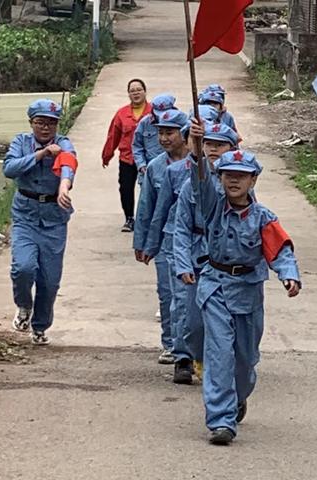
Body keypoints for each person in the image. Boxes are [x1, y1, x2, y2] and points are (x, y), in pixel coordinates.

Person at [191, 148, 301, 446]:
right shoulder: (212, 206)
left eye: (241, 176)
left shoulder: (263, 218)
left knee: (245, 359)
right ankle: (221, 421)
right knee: (219, 355)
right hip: (214, 286)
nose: (234, 181)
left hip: (248, 291)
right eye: (228, 175)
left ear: (253, 181)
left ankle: (238, 399)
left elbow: (280, 251)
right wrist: (196, 147)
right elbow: (200, 180)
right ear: (221, 178)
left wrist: (288, 274)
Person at [3, 99, 78, 346]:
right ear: (31, 123)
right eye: (40, 122)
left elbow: (68, 164)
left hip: (53, 217)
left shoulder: (63, 143)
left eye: (51, 123)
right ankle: (24, 305)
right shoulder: (21, 143)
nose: (46, 128)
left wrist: (64, 187)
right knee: (23, 268)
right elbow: (10, 169)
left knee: (49, 278)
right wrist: (41, 154)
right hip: (25, 214)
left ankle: (40, 325)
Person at [172, 123, 239, 384]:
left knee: (228, 322)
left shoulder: (238, 184)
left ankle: (222, 369)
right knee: (193, 321)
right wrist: (183, 264)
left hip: (226, 261)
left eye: (220, 145)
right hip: (197, 258)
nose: (213, 150)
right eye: (209, 144)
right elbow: (181, 228)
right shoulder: (193, 185)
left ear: (232, 149)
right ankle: (195, 355)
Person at [133, 109, 189, 364]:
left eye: (170, 133)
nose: (164, 139)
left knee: (190, 297)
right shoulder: (156, 167)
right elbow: (147, 208)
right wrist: (144, 243)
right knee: (167, 294)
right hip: (167, 239)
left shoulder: (198, 164)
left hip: (196, 241)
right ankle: (170, 344)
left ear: (183, 133)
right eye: (161, 133)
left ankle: (193, 345)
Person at [102, 78, 152, 232]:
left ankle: (149, 219)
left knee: (150, 189)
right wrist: (107, 155)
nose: (136, 93)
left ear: (145, 91)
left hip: (149, 158)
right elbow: (113, 136)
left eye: (138, 89)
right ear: (128, 94)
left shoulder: (154, 112)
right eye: (132, 91)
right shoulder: (121, 114)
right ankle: (129, 218)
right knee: (126, 188)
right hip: (127, 158)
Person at [132, 93, 176, 186]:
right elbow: (137, 146)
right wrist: (141, 165)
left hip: (173, 171)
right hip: (149, 172)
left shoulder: (180, 122)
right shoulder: (144, 123)